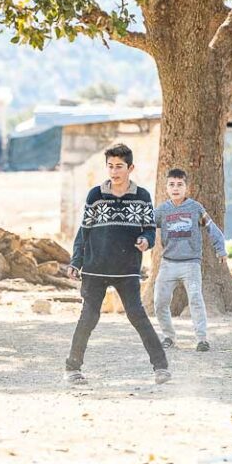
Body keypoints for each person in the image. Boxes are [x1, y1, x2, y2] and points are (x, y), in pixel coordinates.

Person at [65, 144, 171, 385]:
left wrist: (146, 240)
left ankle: (161, 367)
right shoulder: (96, 195)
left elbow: (149, 230)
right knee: (88, 317)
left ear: (130, 168)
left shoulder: (142, 196)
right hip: (95, 267)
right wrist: (76, 261)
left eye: (119, 167)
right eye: (110, 166)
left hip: (127, 269)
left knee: (137, 316)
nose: (114, 171)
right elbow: (85, 231)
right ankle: (72, 368)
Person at [153, 168, 228, 352]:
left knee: (195, 299)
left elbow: (212, 228)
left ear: (187, 187)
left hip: (191, 264)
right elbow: (145, 228)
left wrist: (221, 249)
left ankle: (202, 339)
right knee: (160, 302)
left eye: (180, 185)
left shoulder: (195, 208)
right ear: (166, 188)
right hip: (168, 264)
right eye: (172, 185)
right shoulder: (162, 210)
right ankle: (168, 336)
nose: (175, 188)